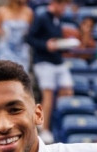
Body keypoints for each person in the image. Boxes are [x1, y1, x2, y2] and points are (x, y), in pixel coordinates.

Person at [25, 0, 74, 141]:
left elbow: (55, 40)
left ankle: (52, 118)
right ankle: (44, 127)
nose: (65, 9)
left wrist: (64, 45)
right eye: (63, 5)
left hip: (58, 61)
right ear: (56, 4)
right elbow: (30, 38)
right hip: (44, 62)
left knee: (67, 90)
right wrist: (46, 45)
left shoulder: (57, 19)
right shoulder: (41, 17)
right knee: (48, 95)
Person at [0, 0, 33, 69]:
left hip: (21, 49)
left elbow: (31, 30)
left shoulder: (28, 12)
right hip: (6, 49)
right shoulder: (2, 11)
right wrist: (3, 32)